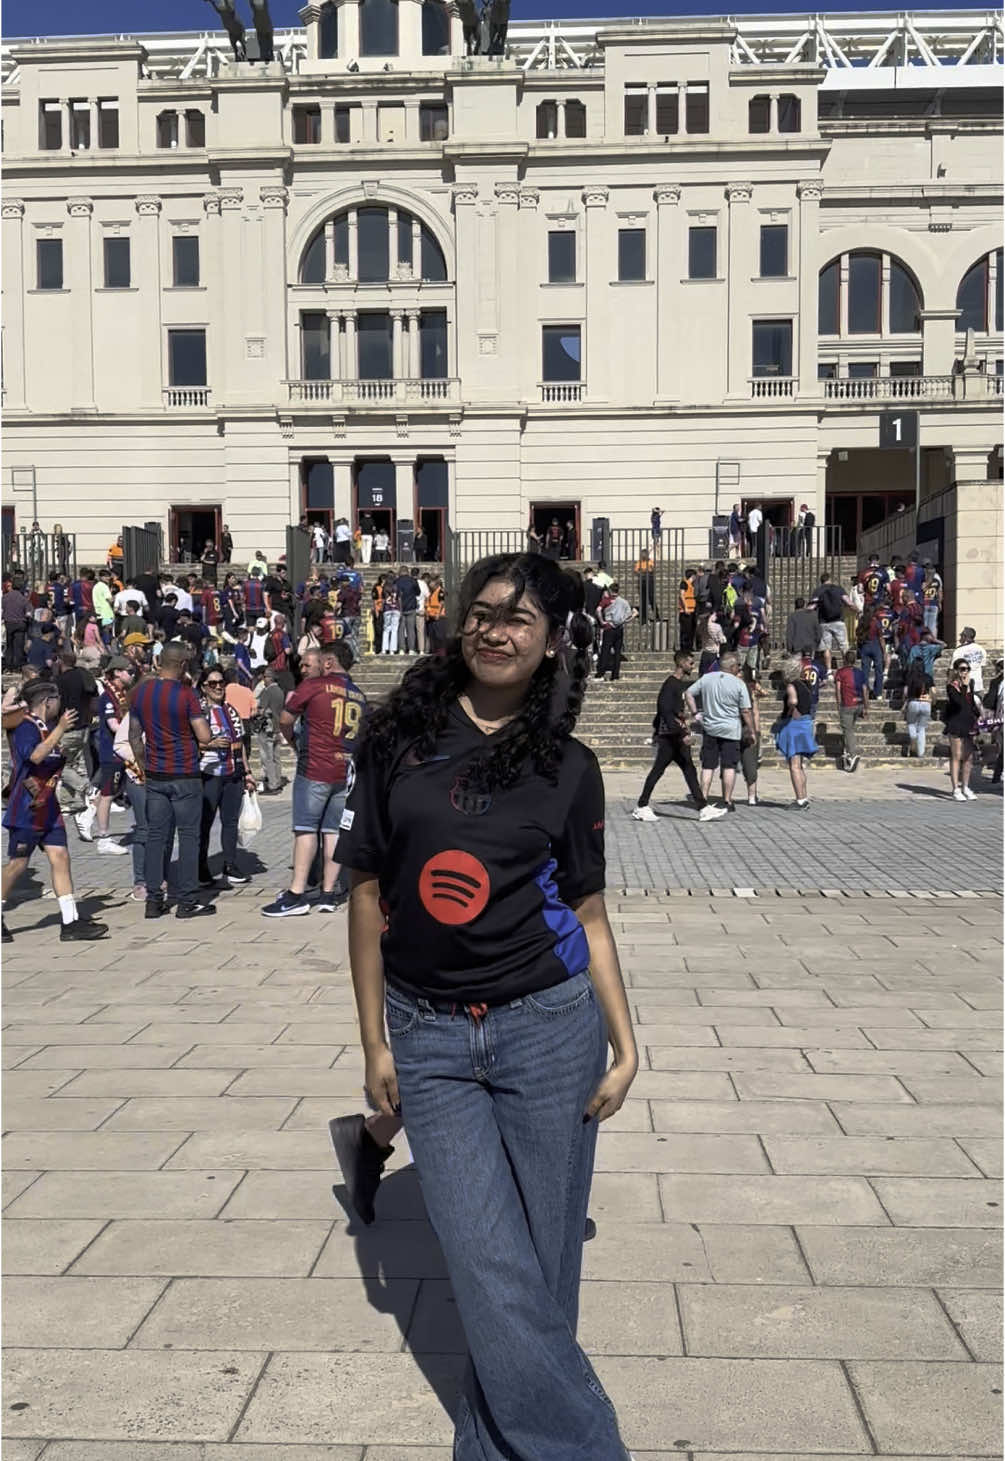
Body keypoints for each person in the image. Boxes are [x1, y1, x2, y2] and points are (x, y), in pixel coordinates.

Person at [332, 552, 635, 1458]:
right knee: (488, 1264)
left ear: (550, 644)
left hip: (548, 1030)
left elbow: (588, 914)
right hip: (429, 1037)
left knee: (541, 1267)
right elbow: (364, 895)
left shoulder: (571, 767)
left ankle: (491, 1447)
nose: (496, 629)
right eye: (484, 611)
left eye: (520, 618)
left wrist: (624, 1043)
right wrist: (373, 1039)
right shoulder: (398, 743)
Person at [260, 641, 365, 918]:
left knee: (305, 829)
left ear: (328, 662)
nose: (308, 669)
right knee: (333, 832)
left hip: (315, 766)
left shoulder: (314, 686)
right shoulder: (358, 694)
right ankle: (328, 893)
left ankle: (296, 893)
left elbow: (285, 718)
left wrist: (293, 741)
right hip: (345, 771)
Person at [2, 680, 108, 943]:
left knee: (60, 857)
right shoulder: (26, 727)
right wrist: (60, 729)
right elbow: (34, 757)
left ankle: (70, 921)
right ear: (47, 702)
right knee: (17, 864)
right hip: (27, 807)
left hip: (48, 806)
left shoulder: (45, 728)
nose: (60, 705)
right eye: (57, 699)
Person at [128, 643, 219, 920]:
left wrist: (144, 767)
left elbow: (134, 736)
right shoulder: (186, 694)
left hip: (156, 774)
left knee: (156, 837)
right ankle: (187, 900)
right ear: (181, 665)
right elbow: (203, 736)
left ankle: (154, 900)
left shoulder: (141, 692)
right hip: (185, 774)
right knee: (189, 837)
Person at [632, 650, 726, 823]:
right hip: (670, 737)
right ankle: (641, 805)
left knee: (689, 770)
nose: (692, 666)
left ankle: (703, 808)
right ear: (681, 663)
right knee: (658, 770)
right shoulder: (671, 684)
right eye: (690, 663)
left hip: (674, 736)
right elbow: (665, 711)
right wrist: (680, 733)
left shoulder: (677, 684)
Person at [197, 667, 255, 890]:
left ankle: (230, 865)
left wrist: (248, 773)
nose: (218, 687)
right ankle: (201, 867)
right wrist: (209, 744)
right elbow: (191, 743)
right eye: (212, 683)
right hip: (209, 773)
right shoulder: (199, 711)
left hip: (233, 773)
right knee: (205, 823)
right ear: (204, 687)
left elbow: (239, 745)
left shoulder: (231, 710)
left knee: (231, 822)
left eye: (221, 682)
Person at [686, 652, 754, 812]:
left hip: (710, 728)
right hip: (731, 730)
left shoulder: (707, 678)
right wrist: (751, 730)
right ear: (732, 666)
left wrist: (695, 713)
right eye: (738, 665)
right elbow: (745, 710)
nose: (739, 668)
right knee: (729, 766)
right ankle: (727, 800)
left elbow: (688, 693)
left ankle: (703, 797)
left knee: (708, 765)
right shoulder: (739, 684)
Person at [90, 658, 134, 855]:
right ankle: (104, 837)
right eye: (128, 671)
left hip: (122, 751)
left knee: (112, 792)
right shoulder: (108, 697)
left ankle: (89, 813)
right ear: (117, 672)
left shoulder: (123, 695)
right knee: (108, 794)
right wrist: (133, 732)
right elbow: (113, 725)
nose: (131, 675)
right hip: (112, 753)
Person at [774, 663, 819, 809]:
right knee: (799, 765)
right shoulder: (805, 685)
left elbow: (793, 701)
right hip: (805, 723)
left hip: (795, 725)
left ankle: (799, 800)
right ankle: (803, 796)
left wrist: (789, 711)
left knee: (794, 765)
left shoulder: (791, 686)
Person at [945, 659, 980, 801]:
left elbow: (970, 703)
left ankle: (966, 786)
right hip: (956, 723)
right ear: (956, 670)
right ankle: (956, 788)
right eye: (961, 669)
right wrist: (964, 687)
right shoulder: (951, 686)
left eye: (967, 669)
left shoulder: (970, 684)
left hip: (968, 723)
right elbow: (958, 703)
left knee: (969, 757)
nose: (964, 672)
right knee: (956, 755)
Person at [809, 572, 856, 674]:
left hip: (824, 623)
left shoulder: (818, 591)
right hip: (839, 621)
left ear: (821, 581)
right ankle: (847, 668)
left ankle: (829, 671)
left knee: (826, 648)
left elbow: (812, 606)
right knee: (844, 646)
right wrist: (856, 609)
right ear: (830, 579)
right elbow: (848, 602)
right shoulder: (838, 589)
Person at [833, 647, 869, 772]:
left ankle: (852, 754)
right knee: (850, 727)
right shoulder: (860, 672)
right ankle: (847, 752)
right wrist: (866, 706)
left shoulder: (840, 672)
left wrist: (838, 703)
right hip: (858, 703)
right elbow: (865, 690)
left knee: (848, 730)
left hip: (847, 704)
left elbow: (838, 688)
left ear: (844, 660)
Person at [253, 668, 285, 795]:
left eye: (265, 677)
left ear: (270, 678)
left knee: (267, 757)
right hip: (278, 727)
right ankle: (277, 780)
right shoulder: (280, 691)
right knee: (277, 757)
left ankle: (272, 785)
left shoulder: (267, 692)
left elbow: (261, 710)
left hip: (268, 727)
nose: (263, 679)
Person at [595, 581, 635, 681]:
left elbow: (598, 610)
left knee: (605, 651)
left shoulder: (607, 600)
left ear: (610, 590)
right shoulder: (624, 602)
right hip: (619, 629)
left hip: (609, 627)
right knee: (617, 653)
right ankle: (615, 675)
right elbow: (628, 616)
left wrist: (602, 621)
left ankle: (601, 673)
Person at [739, 663, 763, 806]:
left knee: (749, 764)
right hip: (747, 728)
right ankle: (752, 796)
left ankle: (751, 795)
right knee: (750, 764)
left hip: (745, 728)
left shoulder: (748, 689)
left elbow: (754, 711)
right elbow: (752, 711)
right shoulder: (749, 689)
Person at [903, 662, 934, 759]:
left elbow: (905, 691)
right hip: (926, 704)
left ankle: (913, 738)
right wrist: (932, 701)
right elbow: (933, 691)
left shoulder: (909, 677)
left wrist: (904, 701)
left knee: (911, 724)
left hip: (913, 702)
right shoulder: (928, 677)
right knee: (922, 728)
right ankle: (921, 753)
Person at [2, 576, 32, 671]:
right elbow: (29, 613)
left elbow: (2, 610)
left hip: (9, 623)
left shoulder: (5, 597)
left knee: (9, 645)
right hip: (20, 623)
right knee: (19, 646)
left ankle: (9, 665)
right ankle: (17, 665)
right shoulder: (23, 599)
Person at [954, 627, 987, 694]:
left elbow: (952, 669)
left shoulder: (959, 650)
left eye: (961, 635)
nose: (960, 638)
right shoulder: (981, 649)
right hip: (978, 685)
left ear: (965, 636)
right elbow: (983, 668)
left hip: (964, 685)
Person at [396, 567, 420, 654]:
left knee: (400, 629)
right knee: (411, 630)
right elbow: (418, 592)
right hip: (411, 607)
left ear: (400, 572)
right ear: (407, 572)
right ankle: (411, 649)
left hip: (400, 608)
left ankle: (402, 648)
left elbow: (395, 594)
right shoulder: (413, 581)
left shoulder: (397, 581)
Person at [634, 550, 659, 626]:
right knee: (643, 600)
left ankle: (656, 616)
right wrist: (643, 572)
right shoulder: (639, 562)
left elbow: (652, 570)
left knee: (651, 599)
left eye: (644, 554)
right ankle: (643, 619)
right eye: (642, 554)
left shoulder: (650, 561)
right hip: (642, 581)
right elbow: (636, 571)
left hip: (649, 581)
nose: (643, 556)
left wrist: (644, 571)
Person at [921, 559, 943, 635]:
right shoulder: (937, 579)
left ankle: (926, 640)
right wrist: (940, 602)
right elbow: (939, 591)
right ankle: (932, 640)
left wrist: (929, 581)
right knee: (933, 624)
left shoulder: (924, 579)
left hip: (925, 603)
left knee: (925, 624)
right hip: (934, 603)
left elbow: (922, 589)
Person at [380, 575, 401, 655]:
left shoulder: (384, 588)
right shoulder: (397, 587)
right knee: (394, 629)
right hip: (396, 608)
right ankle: (392, 650)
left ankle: (384, 649)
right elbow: (399, 599)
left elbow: (383, 599)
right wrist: (401, 609)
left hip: (387, 608)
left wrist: (382, 608)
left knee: (386, 629)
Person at [677, 568, 697, 651]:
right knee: (686, 630)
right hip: (686, 611)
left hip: (693, 610)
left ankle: (690, 646)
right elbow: (682, 595)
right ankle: (684, 647)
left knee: (692, 630)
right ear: (692, 576)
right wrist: (685, 607)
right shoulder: (684, 583)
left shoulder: (692, 585)